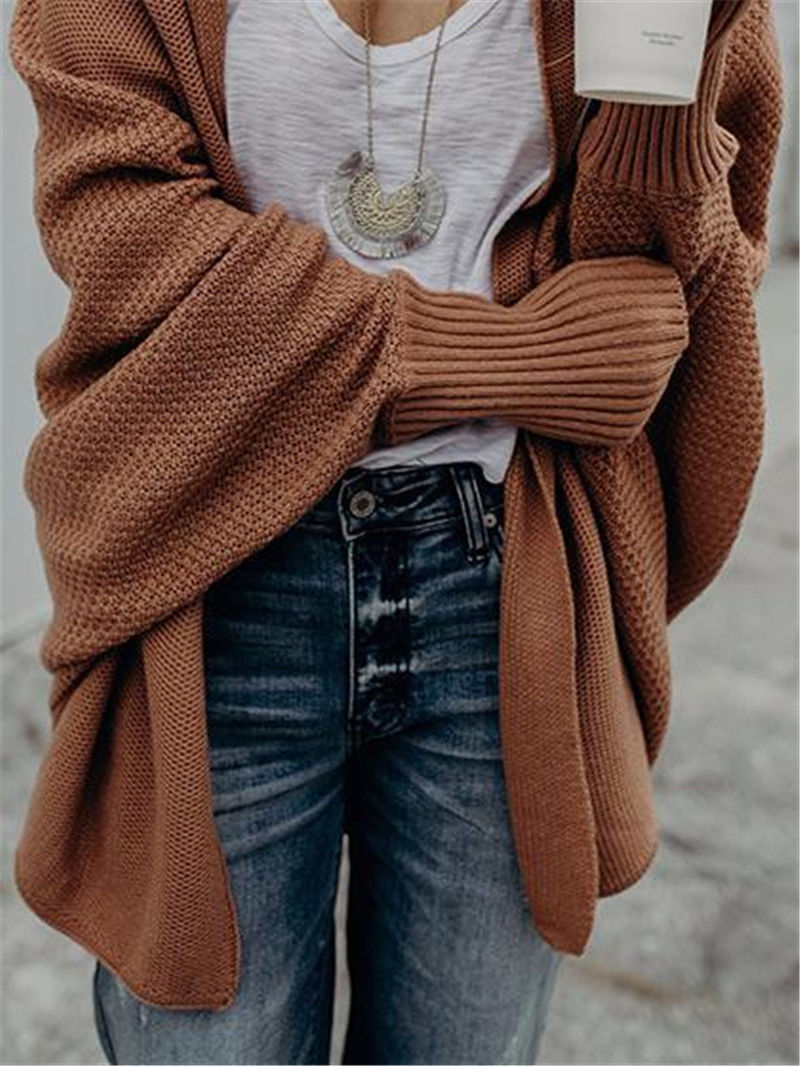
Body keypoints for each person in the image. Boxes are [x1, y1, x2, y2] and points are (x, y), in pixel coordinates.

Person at [7, 0, 782, 1063]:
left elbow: (653, 307)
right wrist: (502, 361)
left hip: (503, 590)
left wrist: (655, 91)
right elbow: (133, 245)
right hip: (219, 578)